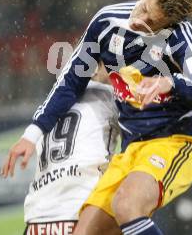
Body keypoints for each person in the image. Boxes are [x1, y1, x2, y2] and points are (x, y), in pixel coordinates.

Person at [2, 0, 192, 235]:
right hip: (131, 149)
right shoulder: (107, 21)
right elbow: (71, 80)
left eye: (151, 21)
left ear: (167, 26)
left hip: (175, 141)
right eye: (143, 8)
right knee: (85, 231)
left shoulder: (182, 37)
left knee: (127, 206)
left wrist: (172, 82)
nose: (139, 20)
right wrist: (32, 134)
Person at [23, 62, 121, 235]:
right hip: (83, 212)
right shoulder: (111, 96)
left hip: (37, 219)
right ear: (96, 66)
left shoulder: (50, 106)